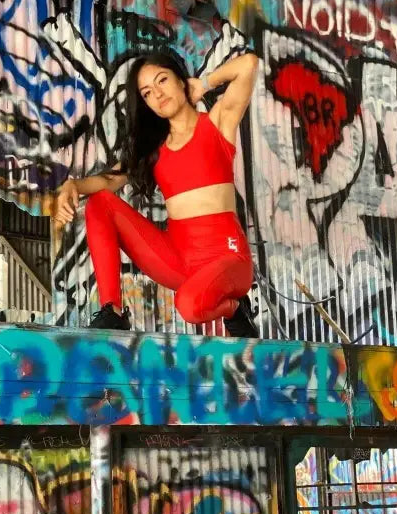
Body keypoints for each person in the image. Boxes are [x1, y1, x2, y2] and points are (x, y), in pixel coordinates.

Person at [55, 50, 259, 337]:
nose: (158, 94)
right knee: (100, 202)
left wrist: (204, 83)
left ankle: (235, 309)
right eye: (147, 93)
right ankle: (112, 310)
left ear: (180, 80)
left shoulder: (216, 124)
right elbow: (108, 181)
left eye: (162, 80)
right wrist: (73, 185)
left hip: (227, 258)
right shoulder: (152, 150)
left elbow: (248, 64)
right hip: (178, 259)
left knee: (189, 306)